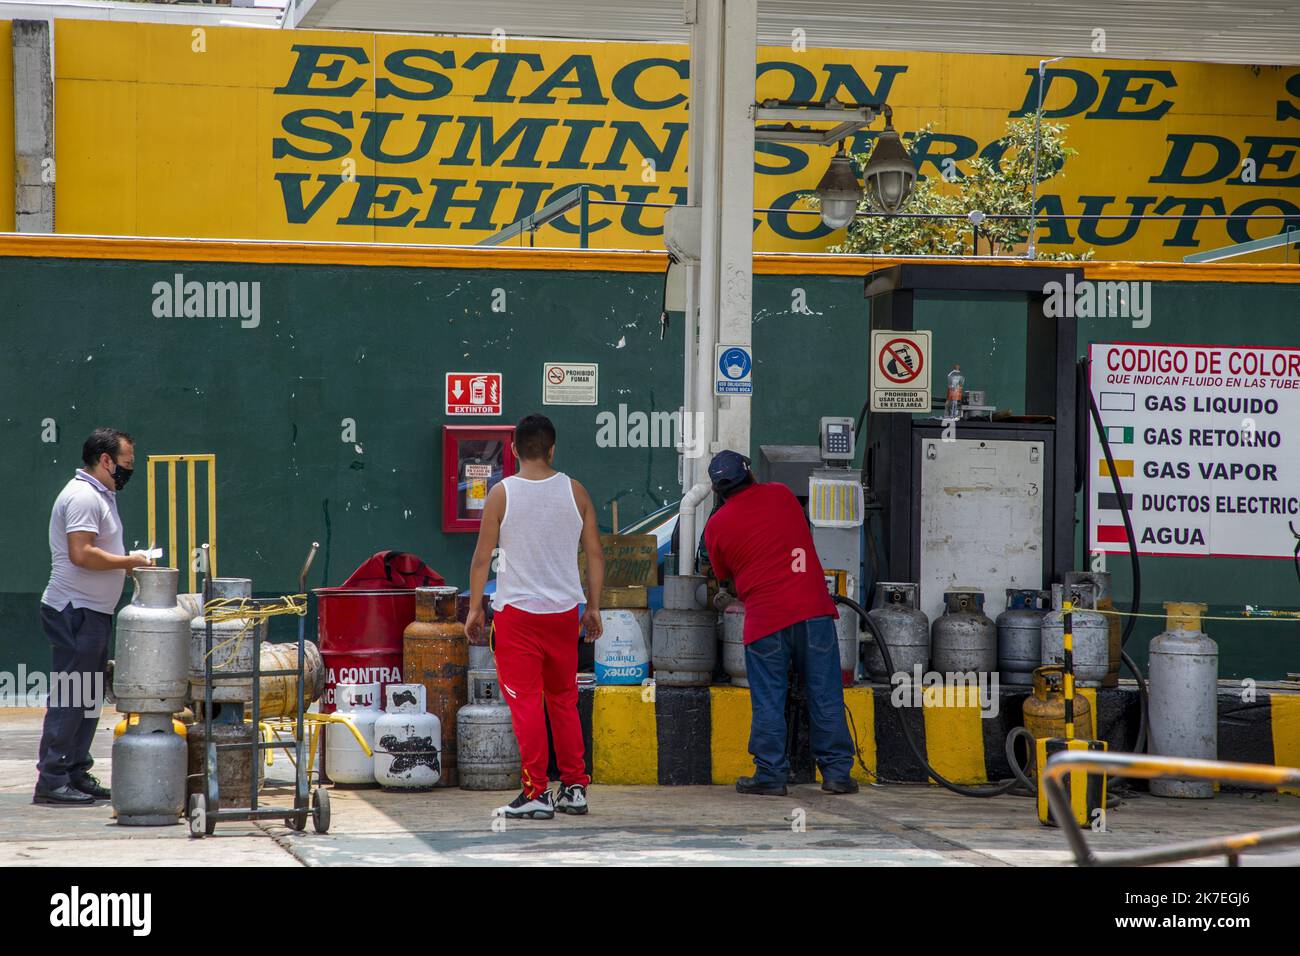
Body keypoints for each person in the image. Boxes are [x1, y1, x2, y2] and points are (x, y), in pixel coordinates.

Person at [466, 414, 604, 820]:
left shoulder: (501, 494)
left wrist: (475, 608)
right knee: (563, 700)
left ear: (513, 451)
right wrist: (592, 607)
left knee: (525, 703)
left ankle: (536, 792)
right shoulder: (575, 491)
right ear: (552, 448)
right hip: (563, 614)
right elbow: (595, 554)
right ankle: (575, 787)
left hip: (517, 618)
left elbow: (481, 559)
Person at [703, 450, 858, 796]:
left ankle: (771, 775)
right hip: (813, 611)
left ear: (717, 491)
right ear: (750, 475)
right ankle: (836, 774)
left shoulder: (716, 526)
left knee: (769, 698)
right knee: (825, 693)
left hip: (766, 620)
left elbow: (723, 576)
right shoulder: (781, 494)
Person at [35, 427, 153, 806]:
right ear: (105, 460)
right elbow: (81, 553)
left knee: (87, 698)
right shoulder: (84, 496)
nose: (128, 471)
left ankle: (74, 770)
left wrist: (126, 565)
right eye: (126, 464)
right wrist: (130, 562)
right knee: (72, 696)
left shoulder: (101, 494)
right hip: (74, 610)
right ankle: (53, 778)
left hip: (92, 612)